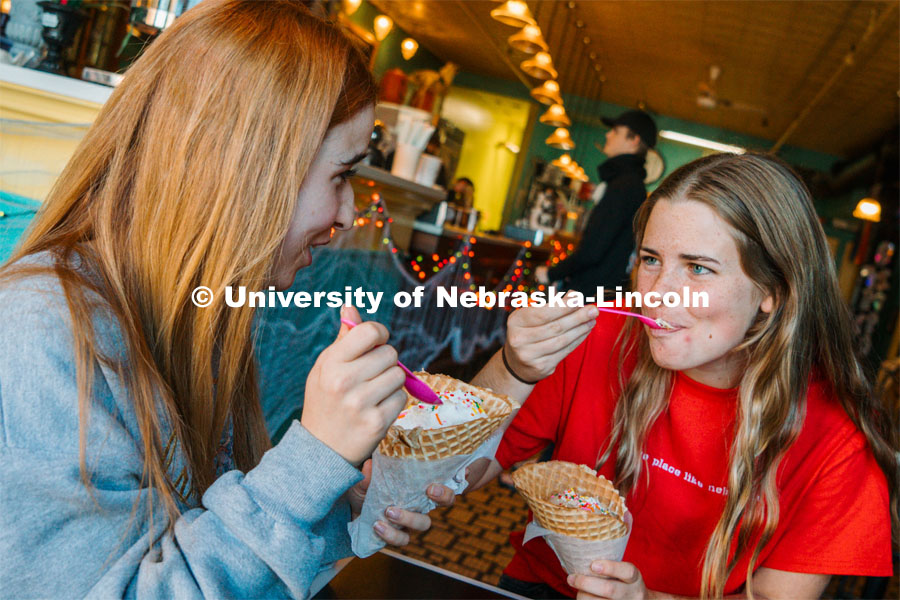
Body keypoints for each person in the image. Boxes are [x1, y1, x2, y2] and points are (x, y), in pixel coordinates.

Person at [0, 2, 454, 597]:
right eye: (341, 175)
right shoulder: (41, 333)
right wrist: (312, 459)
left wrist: (328, 496)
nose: (347, 214)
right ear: (248, 173)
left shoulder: (201, 315)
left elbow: (198, 536)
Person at [469, 153, 897, 598]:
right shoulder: (595, 340)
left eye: (697, 268)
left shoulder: (838, 441)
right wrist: (514, 367)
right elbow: (463, 474)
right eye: (651, 260)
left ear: (773, 290)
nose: (655, 294)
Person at [535, 109, 657, 296]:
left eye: (616, 131)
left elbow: (593, 250)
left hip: (589, 294)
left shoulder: (624, 185)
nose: (608, 134)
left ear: (633, 140)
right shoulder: (629, 183)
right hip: (600, 291)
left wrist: (551, 273)